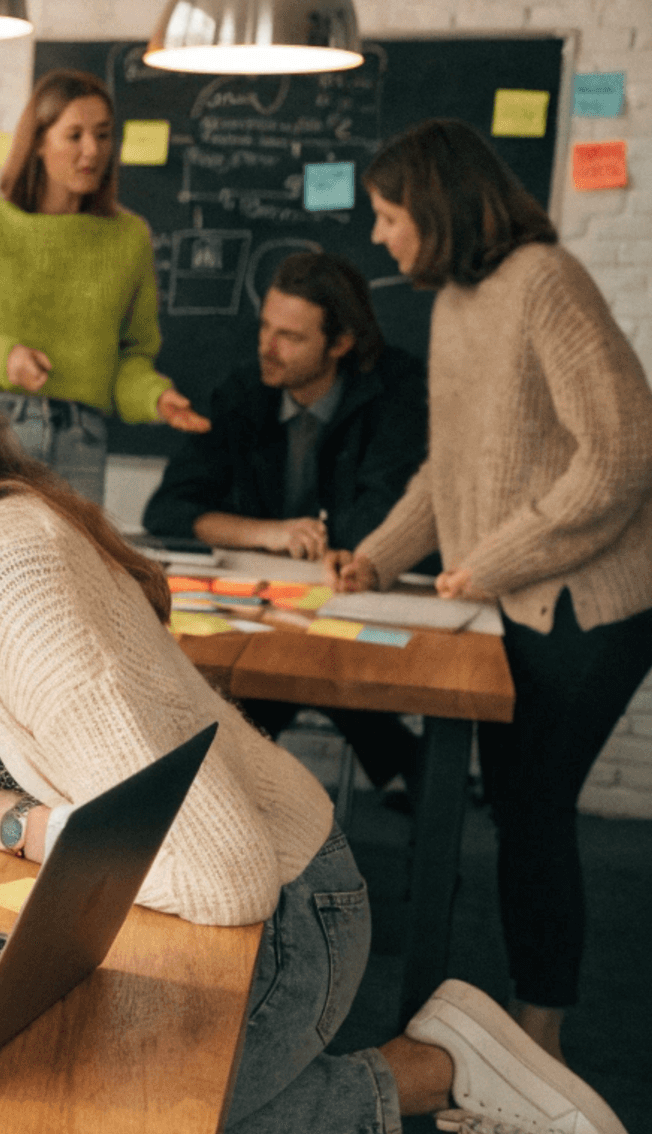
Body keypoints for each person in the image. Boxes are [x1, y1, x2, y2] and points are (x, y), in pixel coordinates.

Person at [0, 298, 632, 1134]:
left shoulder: (10, 569)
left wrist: (11, 819)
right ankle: (433, 1067)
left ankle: (436, 1067)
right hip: (108, 904)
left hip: (284, 915)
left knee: (71, 1129)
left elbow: (223, 879)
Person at [329, 119, 652, 1063]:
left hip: (590, 603)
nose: (380, 237)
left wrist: (496, 558)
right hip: (514, 594)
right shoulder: (455, 302)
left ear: (435, 205)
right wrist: (380, 555)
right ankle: (514, 1015)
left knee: (532, 812)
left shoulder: (543, 281)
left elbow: (625, 452)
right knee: (515, 811)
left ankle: (539, 1037)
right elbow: (454, 464)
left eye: (390, 216)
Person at [144, 252, 428, 803]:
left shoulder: (396, 391)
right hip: (268, 607)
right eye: (266, 328)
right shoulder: (244, 390)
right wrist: (267, 532)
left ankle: (256, 801)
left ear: (341, 344)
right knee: (255, 692)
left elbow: (385, 514)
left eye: (290, 337)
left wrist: (322, 539)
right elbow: (169, 510)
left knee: (303, 680)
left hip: (359, 596)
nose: (266, 347)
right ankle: (401, 769)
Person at [0, 69, 208, 508]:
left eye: (104, 135)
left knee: (74, 571)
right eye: (74, 135)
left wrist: (155, 396)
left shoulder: (128, 237)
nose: (93, 150)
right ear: (38, 141)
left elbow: (130, 354)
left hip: (81, 440)